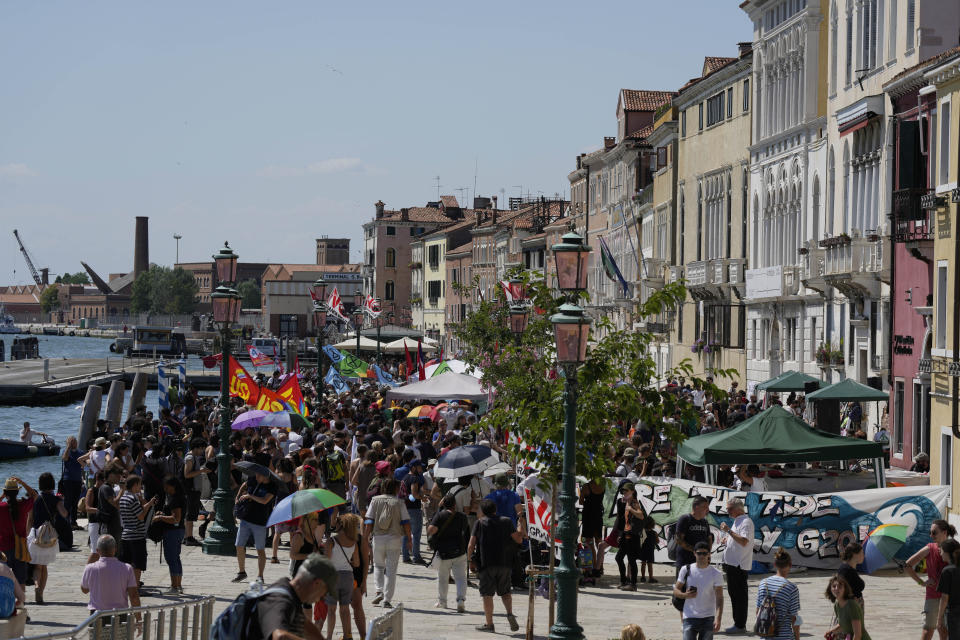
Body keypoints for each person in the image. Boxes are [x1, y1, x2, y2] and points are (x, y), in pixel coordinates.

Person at [467, 499, 525, 633]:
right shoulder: (506, 521)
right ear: (495, 510)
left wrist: (470, 559)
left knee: (487, 595)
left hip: (486, 564)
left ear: (482, 511)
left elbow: (471, 544)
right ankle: (509, 613)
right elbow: (518, 539)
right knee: (505, 592)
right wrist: (519, 524)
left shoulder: (479, 523)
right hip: (505, 563)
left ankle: (489, 623)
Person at [252, 553, 339, 640]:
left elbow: (305, 625)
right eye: (324, 593)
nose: (321, 598)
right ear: (316, 583)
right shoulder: (282, 600)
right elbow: (280, 637)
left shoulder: (288, 590)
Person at [363, 478, 412, 610]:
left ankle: (379, 591)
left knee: (378, 566)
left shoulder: (375, 500)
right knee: (391, 570)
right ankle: (387, 599)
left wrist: (365, 538)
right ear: (396, 488)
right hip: (395, 539)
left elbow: (369, 521)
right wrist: (409, 539)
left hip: (378, 538)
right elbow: (406, 522)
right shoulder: (399, 502)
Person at [907, 519, 957, 640]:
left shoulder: (954, 548)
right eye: (930, 532)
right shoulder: (930, 548)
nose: (931, 535)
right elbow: (908, 565)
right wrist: (921, 582)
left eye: (934, 532)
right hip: (933, 596)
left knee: (944, 631)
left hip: (951, 598)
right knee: (928, 630)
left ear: (944, 532)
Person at [80, 535, 142, 629]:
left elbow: (84, 590)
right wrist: (138, 619)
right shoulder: (127, 568)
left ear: (97, 551)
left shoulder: (90, 568)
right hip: (120, 615)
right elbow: (133, 596)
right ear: (115, 549)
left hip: (97, 615)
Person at [427, 494, 471, 612]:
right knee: (461, 577)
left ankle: (443, 601)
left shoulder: (440, 516)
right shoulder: (462, 516)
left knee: (443, 577)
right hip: (459, 551)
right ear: (455, 504)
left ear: (443, 504)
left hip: (444, 552)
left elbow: (431, 530)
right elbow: (465, 531)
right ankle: (461, 600)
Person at [28, 472, 67, 604]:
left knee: (37, 567)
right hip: (49, 536)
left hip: (36, 535)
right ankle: (41, 593)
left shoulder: (37, 499)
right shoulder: (56, 499)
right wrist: (61, 501)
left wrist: (27, 534)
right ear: (52, 484)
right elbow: (65, 513)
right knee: (44, 567)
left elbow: (30, 519)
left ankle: (37, 586)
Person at [673, 541, 724, 639]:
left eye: (704, 553)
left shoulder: (716, 573)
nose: (702, 556)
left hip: (708, 617)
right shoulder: (686, 569)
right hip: (689, 616)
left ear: (709, 554)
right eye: (699, 553)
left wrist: (718, 618)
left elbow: (720, 597)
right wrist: (685, 595)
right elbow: (676, 590)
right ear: (694, 553)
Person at [233, 471, 276, 584]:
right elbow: (244, 485)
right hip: (246, 518)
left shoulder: (272, 486)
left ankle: (260, 576)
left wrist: (250, 495)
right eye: (256, 474)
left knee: (260, 549)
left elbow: (265, 500)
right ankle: (241, 572)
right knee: (239, 545)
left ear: (266, 476)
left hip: (260, 522)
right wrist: (237, 497)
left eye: (259, 474)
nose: (256, 476)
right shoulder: (253, 479)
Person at [323, 513, 361, 640]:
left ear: (340, 525)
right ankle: (347, 636)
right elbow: (357, 563)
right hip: (348, 577)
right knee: (345, 609)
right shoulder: (353, 542)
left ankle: (329, 637)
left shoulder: (331, 541)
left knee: (331, 610)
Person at [719, 497, 754, 634]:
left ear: (738, 509)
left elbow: (744, 541)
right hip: (732, 564)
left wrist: (728, 531)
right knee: (734, 594)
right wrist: (727, 540)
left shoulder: (746, 521)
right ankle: (738, 623)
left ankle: (740, 625)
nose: (727, 511)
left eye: (729, 509)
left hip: (738, 565)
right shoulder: (738, 521)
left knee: (739, 596)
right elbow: (737, 540)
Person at [118, 475, 156, 587]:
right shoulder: (132, 498)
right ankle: (135, 588)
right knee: (137, 564)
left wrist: (146, 503)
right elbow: (140, 516)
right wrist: (148, 506)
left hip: (126, 534)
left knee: (127, 562)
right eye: (139, 484)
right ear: (135, 485)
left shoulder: (123, 497)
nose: (141, 487)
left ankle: (126, 586)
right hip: (136, 536)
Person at [754, 548, 800, 640]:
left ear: (774, 565)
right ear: (790, 565)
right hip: (784, 636)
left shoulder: (763, 583)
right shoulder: (792, 588)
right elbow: (794, 618)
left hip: (765, 636)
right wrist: (797, 638)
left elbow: (758, 612)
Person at [0, 476, 37, 588]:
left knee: (3, 576)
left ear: (5, 492)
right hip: (20, 547)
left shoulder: (1, 507)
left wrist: (2, 496)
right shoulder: (23, 505)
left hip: (3, 547)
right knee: (21, 579)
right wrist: (22, 482)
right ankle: (20, 601)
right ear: (17, 492)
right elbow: (34, 495)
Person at [151, 476, 185, 594]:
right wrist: (164, 513)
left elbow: (176, 518)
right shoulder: (176, 497)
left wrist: (160, 517)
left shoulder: (175, 499)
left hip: (173, 532)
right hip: (178, 531)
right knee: (176, 558)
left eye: (167, 486)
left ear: (173, 486)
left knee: (171, 559)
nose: (165, 488)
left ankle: (174, 586)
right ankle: (178, 585)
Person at [614, 482, 644, 591]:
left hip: (632, 536)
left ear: (632, 491)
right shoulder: (625, 502)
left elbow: (641, 515)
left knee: (631, 560)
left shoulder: (634, 503)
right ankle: (624, 581)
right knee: (619, 558)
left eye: (626, 490)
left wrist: (630, 509)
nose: (624, 492)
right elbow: (624, 520)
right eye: (623, 491)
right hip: (625, 534)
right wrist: (620, 534)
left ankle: (633, 584)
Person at [182, 438, 211, 547]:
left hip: (194, 490)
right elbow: (187, 474)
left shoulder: (194, 457)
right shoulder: (190, 457)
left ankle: (187, 537)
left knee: (191, 514)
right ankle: (188, 537)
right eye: (201, 448)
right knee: (190, 515)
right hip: (191, 490)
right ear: (196, 448)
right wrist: (202, 471)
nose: (202, 451)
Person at [675, 495, 713, 575]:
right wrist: (696, 551)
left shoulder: (704, 522)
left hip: (701, 562)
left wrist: (707, 553)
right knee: (683, 586)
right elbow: (678, 540)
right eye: (705, 507)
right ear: (696, 507)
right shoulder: (685, 519)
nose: (707, 510)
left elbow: (709, 538)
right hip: (685, 562)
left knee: (700, 586)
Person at [826, 575, 872, 640]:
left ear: (845, 589)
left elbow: (858, 635)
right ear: (830, 589)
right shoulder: (837, 604)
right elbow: (843, 624)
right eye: (834, 586)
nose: (836, 588)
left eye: (840, 586)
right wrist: (831, 632)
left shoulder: (851, 605)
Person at [400, 458, 426, 565]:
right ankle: (416, 556)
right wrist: (422, 498)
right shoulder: (414, 478)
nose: (421, 468)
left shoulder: (405, 477)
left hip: (405, 508)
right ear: (414, 467)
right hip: (414, 509)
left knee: (406, 534)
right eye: (419, 466)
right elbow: (414, 493)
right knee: (416, 533)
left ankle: (405, 557)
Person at [578, 478, 605, 577]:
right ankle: (600, 567)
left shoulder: (586, 486)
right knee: (599, 543)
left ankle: (592, 567)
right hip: (598, 516)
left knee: (589, 543)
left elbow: (581, 501)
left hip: (588, 517)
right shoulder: (602, 486)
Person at [936, 539, 960, 640]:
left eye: (941, 551)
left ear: (947, 552)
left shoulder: (947, 571)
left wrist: (939, 619)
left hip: (953, 613)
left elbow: (944, 598)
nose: (940, 554)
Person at [60, 436, 85, 529]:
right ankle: (66, 521)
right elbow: (65, 458)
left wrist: (82, 480)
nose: (74, 443)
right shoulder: (66, 451)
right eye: (71, 442)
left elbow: (84, 465)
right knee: (68, 501)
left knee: (75, 502)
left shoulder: (80, 452)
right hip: (68, 480)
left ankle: (73, 522)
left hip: (77, 480)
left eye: (74, 441)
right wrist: (68, 447)